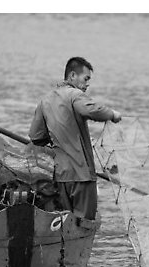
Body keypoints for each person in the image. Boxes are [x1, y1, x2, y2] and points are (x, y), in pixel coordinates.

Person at [28, 56, 122, 220]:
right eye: (86, 79)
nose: (87, 84)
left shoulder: (46, 100)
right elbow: (91, 110)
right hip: (82, 175)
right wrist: (112, 114)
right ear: (72, 76)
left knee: (66, 223)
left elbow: (35, 136)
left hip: (61, 176)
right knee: (84, 223)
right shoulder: (75, 94)